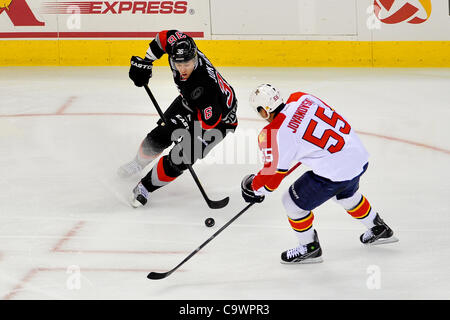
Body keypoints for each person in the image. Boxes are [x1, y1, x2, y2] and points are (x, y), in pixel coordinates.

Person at [241, 84, 398, 264]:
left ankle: (309, 248)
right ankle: (378, 227)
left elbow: (270, 182)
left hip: (338, 170)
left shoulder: (273, 133)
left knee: (291, 202)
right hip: (358, 156)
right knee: (346, 195)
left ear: (263, 112)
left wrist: (253, 188)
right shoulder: (301, 97)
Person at [119, 30, 238, 207]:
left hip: (219, 121)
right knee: (162, 134)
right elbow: (162, 38)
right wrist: (146, 62)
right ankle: (137, 163)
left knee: (182, 157)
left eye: (188, 64)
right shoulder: (179, 43)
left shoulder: (205, 85)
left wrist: (187, 136)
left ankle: (145, 187)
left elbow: (209, 122)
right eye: (178, 64)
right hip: (190, 101)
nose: (182, 69)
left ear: (195, 58)